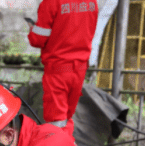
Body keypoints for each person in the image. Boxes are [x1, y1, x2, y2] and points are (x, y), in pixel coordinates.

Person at [27, 0, 98, 136]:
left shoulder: (50, 2)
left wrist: (32, 29)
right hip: (80, 68)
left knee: (56, 121)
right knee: (67, 117)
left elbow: (38, 39)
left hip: (58, 68)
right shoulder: (91, 2)